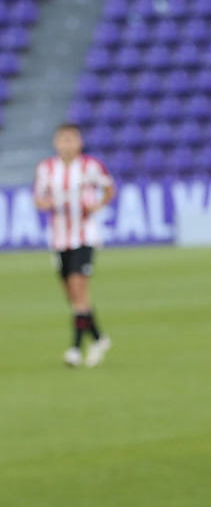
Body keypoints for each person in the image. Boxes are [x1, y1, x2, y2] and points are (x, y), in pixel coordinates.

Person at [33, 122, 116, 367]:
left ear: (79, 142)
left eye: (71, 139)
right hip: (59, 239)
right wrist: (47, 204)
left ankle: (76, 349)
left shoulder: (90, 166)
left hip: (83, 236)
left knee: (79, 290)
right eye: (63, 140)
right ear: (56, 143)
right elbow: (38, 198)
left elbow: (109, 188)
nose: (66, 145)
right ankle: (99, 338)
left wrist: (97, 205)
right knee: (72, 296)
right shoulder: (46, 168)